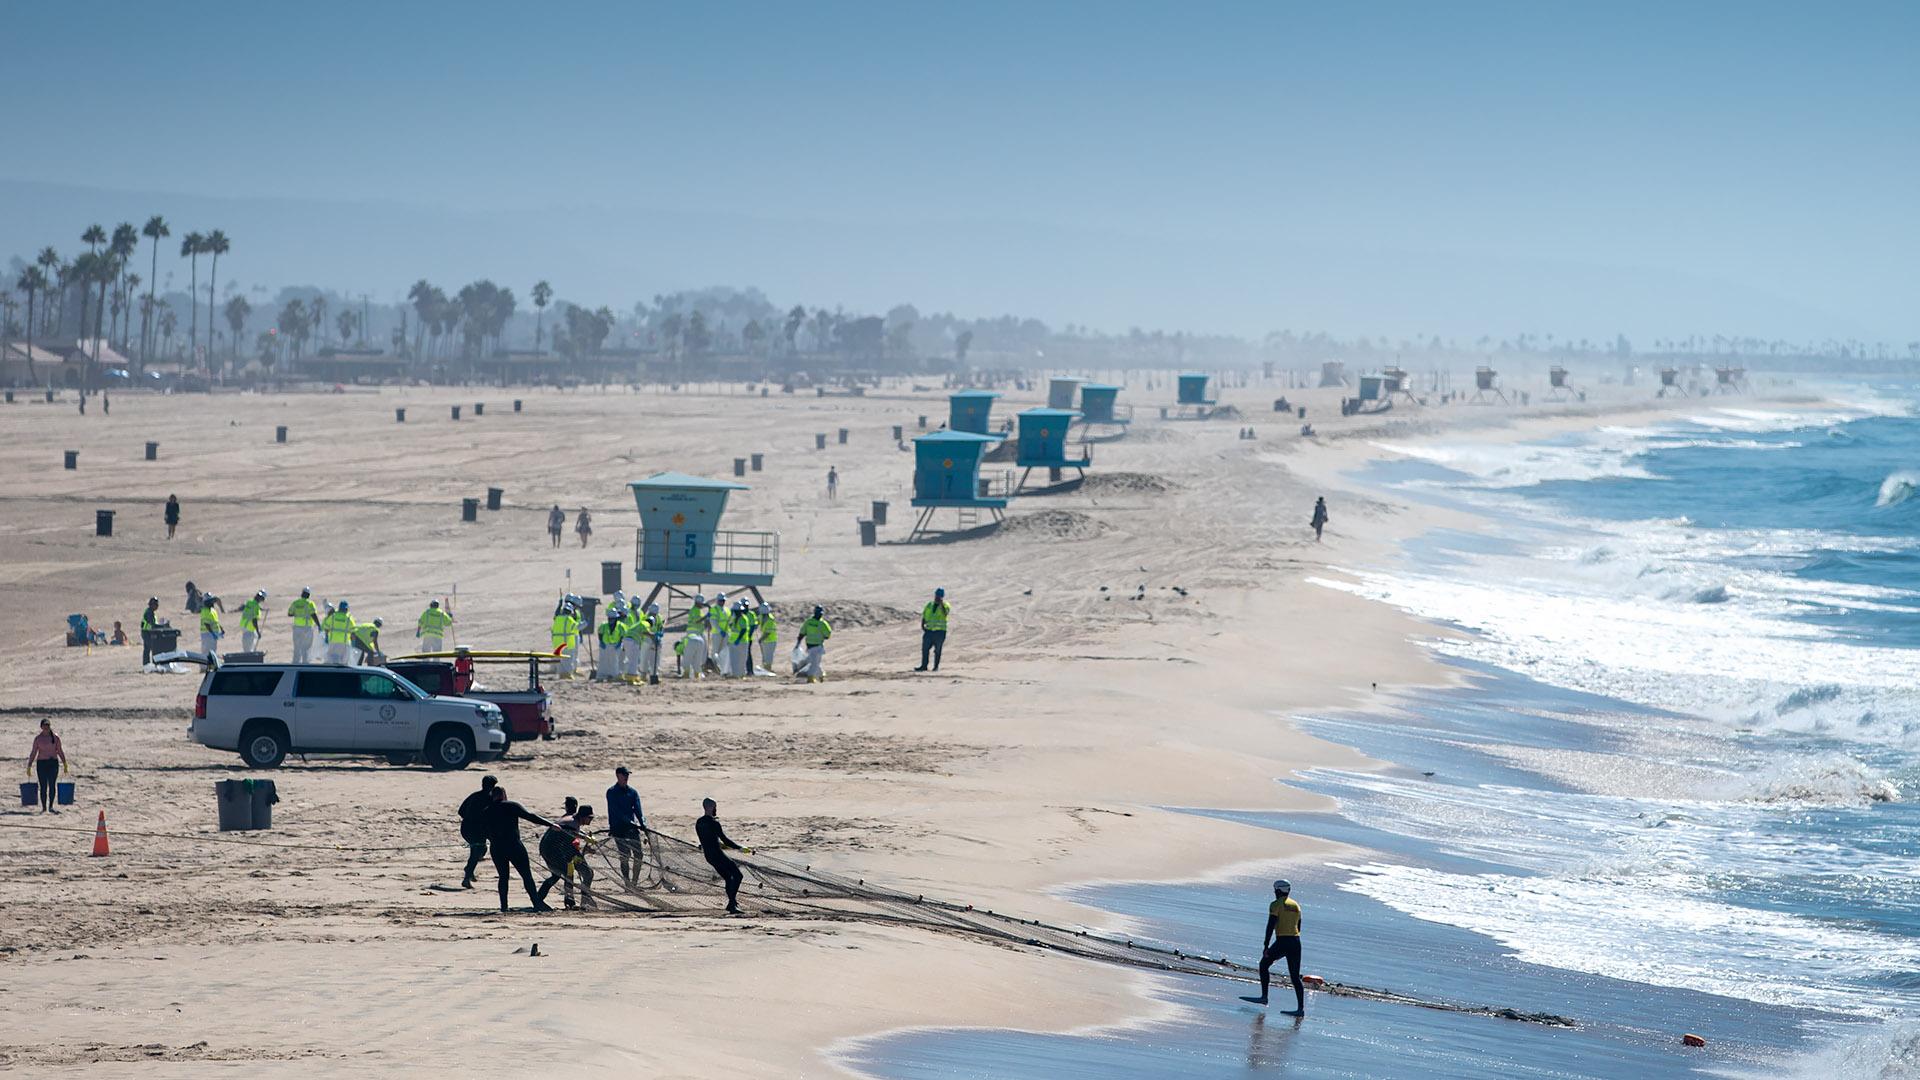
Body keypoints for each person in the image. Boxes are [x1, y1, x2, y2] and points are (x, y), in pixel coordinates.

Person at [484, 785, 555, 913]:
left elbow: (482, 830)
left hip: (497, 848)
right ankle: (536, 903)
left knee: (503, 877)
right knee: (526, 876)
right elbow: (530, 816)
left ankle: (504, 906)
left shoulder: (487, 811)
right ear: (504, 795)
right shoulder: (511, 805)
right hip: (513, 845)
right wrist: (551, 824)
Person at [1245, 879, 1306, 1014]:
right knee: (1295, 976)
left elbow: (1270, 925)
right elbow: (1299, 925)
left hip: (1282, 941)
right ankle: (1300, 1009)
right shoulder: (1296, 905)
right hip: (1296, 942)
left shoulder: (1275, 905)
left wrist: (1266, 945)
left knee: (1263, 965)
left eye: (1275, 890)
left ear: (1278, 890)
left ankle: (1264, 997)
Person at [695, 798, 751, 914]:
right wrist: (739, 847)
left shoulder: (699, 822)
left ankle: (732, 902)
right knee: (738, 875)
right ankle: (732, 904)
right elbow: (725, 840)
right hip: (717, 854)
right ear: (710, 807)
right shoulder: (714, 823)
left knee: (728, 877)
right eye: (715, 807)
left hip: (709, 856)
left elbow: (707, 840)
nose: (716, 809)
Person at [536, 805, 597, 910]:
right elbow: (570, 833)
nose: (591, 820)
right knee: (565, 873)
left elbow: (572, 839)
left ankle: (582, 899)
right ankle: (540, 900)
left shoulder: (575, 822)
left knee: (587, 872)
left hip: (559, 848)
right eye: (589, 818)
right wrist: (585, 838)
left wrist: (586, 843)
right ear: (582, 817)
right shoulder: (571, 823)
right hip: (551, 850)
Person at [606, 766, 646, 888]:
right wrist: (630, 822)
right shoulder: (611, 792)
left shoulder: (632, 792)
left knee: (638, 855)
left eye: (627, 775)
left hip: (632, 829)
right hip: (618, 828)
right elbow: (616, 811)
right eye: (624, 774)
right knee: (625, 855)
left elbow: (638, 810)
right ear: (618, 775)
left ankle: (634, 882)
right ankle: (627, 884)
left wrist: (642, 822)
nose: (626, 777)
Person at [457, 774, 497, 888]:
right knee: (477, 851)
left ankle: (470, 870)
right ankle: (467, 877)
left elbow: (461, 811)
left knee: (481, 849)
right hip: (475, 830)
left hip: (467, 828)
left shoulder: (474, 795)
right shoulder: (489, 799)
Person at [26, 718, 67, 814]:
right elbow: (33, 752)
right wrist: (29, 765)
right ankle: (44, 807)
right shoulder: (38, 739)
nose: (46, 728)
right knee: (43, 786)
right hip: (41, 764)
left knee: (52, 785)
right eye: (44, 726)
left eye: (48, 726)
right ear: (41, 727)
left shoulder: (55, 737)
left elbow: (60, 751)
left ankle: (51, 806)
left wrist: (64, 763)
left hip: (53, 763)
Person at [916, 587, 950, 672]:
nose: (937, 597)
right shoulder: (929, 605)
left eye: (939, 596)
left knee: (937, 650)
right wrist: (923, 624)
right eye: (936, 595)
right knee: (925, 649)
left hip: (940, 632)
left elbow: (945, 613)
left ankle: (936, 667)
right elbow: (925, 614)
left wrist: (941, 604)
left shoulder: (945, 605)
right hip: (929, 631)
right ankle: (924, 666)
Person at [799, 605, 832, 683]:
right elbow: (802, 632)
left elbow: (828, 634)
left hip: (817, 646)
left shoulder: (821, 623)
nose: (819, 615)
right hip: (811, 646)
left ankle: (811, 678)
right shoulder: (811, 622)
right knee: (815, 662)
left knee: (813, 663)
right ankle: (821, 675)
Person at [287, 588, 319, 663]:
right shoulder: (310, 604)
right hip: (307, 629)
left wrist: (297, 614)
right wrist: (318, 624)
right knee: (306, 647)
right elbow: (313, 614)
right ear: (308, 595)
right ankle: (305, 663)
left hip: (297, 628)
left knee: (297, 647)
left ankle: (295, 662)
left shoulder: (295, 603)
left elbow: (290, 614)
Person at [320, 599, 356, 664]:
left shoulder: (333, 617)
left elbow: (326, 628)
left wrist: (326, 638)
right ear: (346, 609)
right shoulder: (349, 619)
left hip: (333, 642)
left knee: (331, 660)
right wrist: (354, 644)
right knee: (343, 662)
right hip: (344, 643)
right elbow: (353, 633)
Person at [549, 599, 579, 677]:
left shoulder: (558, 618)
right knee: (568, 660)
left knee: (560, 660)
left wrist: (559, 606)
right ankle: (567, 674)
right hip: (567, 643)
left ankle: (561, 673)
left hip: (557, 643)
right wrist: (586, 623)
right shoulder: (569, 619)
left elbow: (556, 616)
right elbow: (577, 626)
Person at [239, 590, 266, 655]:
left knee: (247, 647)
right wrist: (258, 631)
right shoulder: (256, 606)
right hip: (249, 629)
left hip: (244, 627)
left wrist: (260, 609)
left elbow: (251, 607)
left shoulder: (250, 602)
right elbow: (254, 620)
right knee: (249, 650)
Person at [139, 597, 163, 667]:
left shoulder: (151, 612)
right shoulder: (149, 613)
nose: (157, 606)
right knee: (153, 648)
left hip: (148, 632)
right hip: (147, 633)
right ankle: (153, 664)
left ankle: (147, 664)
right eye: (156, 604)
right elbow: (152, 624)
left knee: (147, 649)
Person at [755, 603, 778, 673]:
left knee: (768, 655)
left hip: (771, 640)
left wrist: (761, 639)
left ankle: (768, 668)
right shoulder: (761, 616)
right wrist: (756, 624)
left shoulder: (770, 619)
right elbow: (757, 621)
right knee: (764, 655)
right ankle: (765, 668)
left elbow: (767, 633)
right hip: (765, 640)